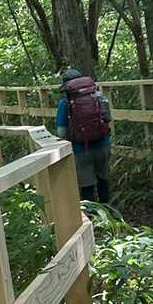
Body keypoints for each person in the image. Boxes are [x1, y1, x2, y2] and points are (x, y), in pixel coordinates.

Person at [56, 68, 112, 205]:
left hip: (81, 150)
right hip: (103, 144)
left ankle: (92, 214)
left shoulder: (65, 103)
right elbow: (108, 118)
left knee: (87, 186)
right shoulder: (99, 96)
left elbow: (61, 132)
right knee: (103, 179)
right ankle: (107, 211)